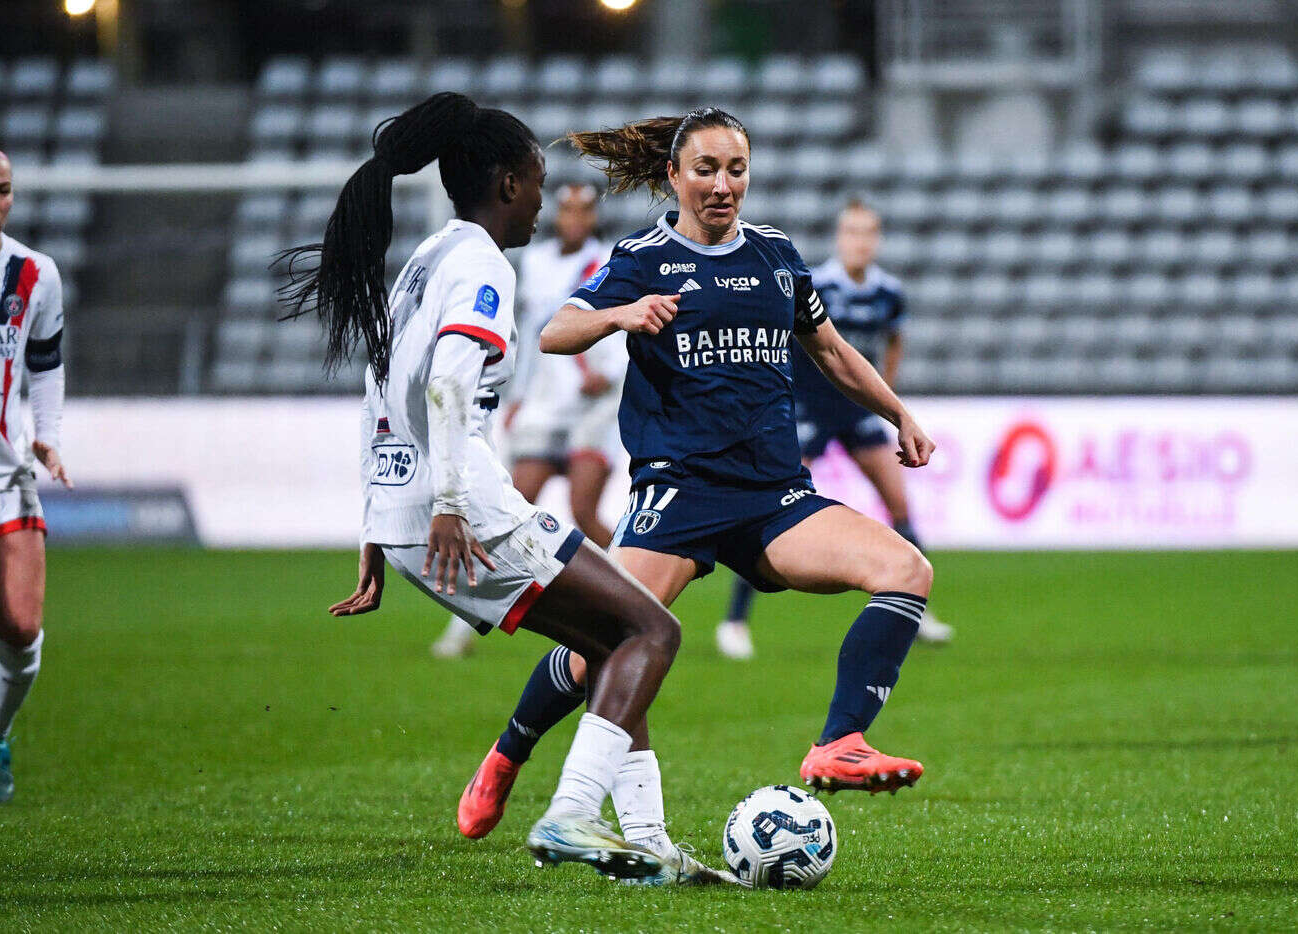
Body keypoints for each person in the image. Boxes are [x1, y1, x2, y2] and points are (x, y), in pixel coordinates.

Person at [457, 108, 938, 854]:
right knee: (602, 648)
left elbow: (833, 352)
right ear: (676, 177)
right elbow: (555, 332)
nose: (722, 185)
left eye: (736, 170)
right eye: (706, 169)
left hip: (775, 497)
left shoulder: (777, 256)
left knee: (906, 569)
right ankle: (507, 753)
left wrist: (898, 412)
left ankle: (840, 741)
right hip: (678, 495)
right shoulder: (645, 255)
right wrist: (622, 313)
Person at [277, 94, 729, 885]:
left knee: (611, 639)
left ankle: (648, 841)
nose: (544, 200)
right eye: (541, 180)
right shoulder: (483, 262)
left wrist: (381, 525)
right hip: (467, 510)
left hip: (409, 513)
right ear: (511, 182)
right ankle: (573, 815)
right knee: (651, 634)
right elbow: (448, 381)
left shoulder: (427, 259)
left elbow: (388, 393)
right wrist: (447, 503)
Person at [716, 200, 954, 660]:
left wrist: (887, 390)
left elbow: (894, 340)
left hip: (857, 410)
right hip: (808, 407)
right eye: (851, 232)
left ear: (876, 239)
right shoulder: (816, 284)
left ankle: (915, 608)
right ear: (840, 237)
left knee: (899, 503)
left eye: (867, 233)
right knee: (770, 507)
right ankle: (735, 621)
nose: (859, 241)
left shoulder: (889, 292)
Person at [430, 183, 623, 660]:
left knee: (583, 511)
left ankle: (633, 597)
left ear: (594, 217)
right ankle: (463, 623)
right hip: (546, 405)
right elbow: (530, 331)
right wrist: (516, 395)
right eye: (567, 210)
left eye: (583, 211)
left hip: (594, 403)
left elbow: (618, 327)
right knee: (505, 515)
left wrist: (609, 375)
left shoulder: (608, 261)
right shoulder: (535, 261)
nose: (574, 219)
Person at [0, 140, 71, 804]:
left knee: (22, 627)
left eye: (3, 191)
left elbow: (46, 362)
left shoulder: (36, 274)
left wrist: (48, 438)